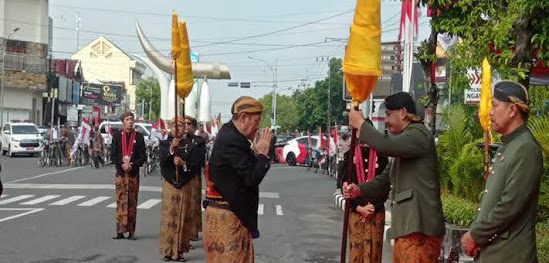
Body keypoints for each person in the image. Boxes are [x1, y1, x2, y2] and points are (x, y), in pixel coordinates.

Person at [344, 92, 445, 262]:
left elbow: (385, 145)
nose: (386, 120)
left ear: (403, 112)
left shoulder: (418, 134)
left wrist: (361, 124)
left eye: (389, 114)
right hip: (408, 229)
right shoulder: (405, 141)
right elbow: (385, 179)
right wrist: (359, 190)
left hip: (419, 229)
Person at [461, 80, 543, 263]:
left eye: (495, 105)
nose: (490, 112)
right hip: (494, 253)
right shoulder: (510, 145)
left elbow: (509, 205)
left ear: (512, 110)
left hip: (510, 254)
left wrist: (475, 235)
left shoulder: (526, 148)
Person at [203, 96, 272, 262]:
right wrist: (262, 156)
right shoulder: (231, 140)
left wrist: (256, 155)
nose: (258, 128)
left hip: (232, 214)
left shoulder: (232, 135)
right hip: (227, 218)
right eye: (256, 122)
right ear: (243, 117)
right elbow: (250, 178)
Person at [338, 121, 389, 263]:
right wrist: (360, 208)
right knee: (357, 253)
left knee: (374, 254)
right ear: (357, 133)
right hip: (356, 212)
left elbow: (385, 185)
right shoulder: (349, 156)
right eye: (360, 131)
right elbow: (344, 187)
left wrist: (372, 207)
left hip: (376, 212)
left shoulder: (382, 156)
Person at [158, 116, 194, 262]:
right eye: (175, 126)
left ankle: (179, 251)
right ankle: (168, 250)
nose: (178, 128)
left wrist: (184, 163)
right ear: (171, 127)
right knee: (169, 217)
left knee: (182, 217)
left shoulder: (190, 144)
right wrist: (172, 148)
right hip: (170, 183)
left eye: (181, 126)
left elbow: (195, 164)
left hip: (185, 184)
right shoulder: (164, 143)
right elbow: (162, 161)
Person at [110, 112, 146, 240]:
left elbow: (143, 157)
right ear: (123, 122)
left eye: (131, 119)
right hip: (121, 174)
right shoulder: (117, 136)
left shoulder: (139, 137)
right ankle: (119, 231)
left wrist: (132, 165)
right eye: (127, 119)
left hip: (133, 174)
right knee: (120, 201)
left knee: (132, 202)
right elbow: (113, 155)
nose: (130, 122)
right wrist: (122, 164)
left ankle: (131, 231)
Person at [181, 116, 207, 246]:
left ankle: (191, 233)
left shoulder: (199, 141)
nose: (186, 126)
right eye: (183, 124)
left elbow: (197, 162)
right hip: (179, 178)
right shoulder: (177, 139)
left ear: (194, 127)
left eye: (188, 124)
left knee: (192, 206)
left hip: (192, 176)